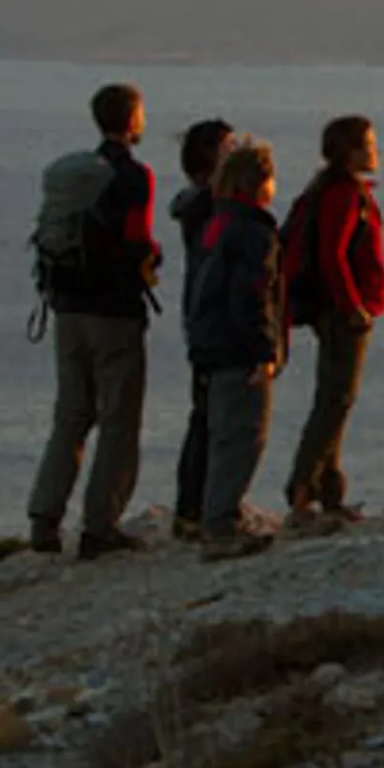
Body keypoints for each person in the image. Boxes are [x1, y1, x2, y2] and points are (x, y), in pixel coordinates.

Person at [25, 82, 158, 557]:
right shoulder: (133, 176)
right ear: (132, 118)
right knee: (119, 419)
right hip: (113, 312)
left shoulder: (78, 176)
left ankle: (44, 518)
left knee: (71, 416)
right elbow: (138, 238)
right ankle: (101, 524)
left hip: (67, 308)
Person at [277, 113, 384, 524]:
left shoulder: (328, 190)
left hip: (337, 307)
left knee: (335, 397)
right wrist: (351, 305)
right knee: (335, 399)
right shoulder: (342, 194)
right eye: (368, 145)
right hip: (342, 312)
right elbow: (332, 255)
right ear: (350, 151)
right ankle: (304, 488)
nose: (375, 152)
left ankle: (328, 488)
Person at [180, 134, 286, 558]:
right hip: (237, 348)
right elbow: (252, 294)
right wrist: (264, 349)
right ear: (258, 183)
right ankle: (221, 523)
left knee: (222, 431)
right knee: (243, 435)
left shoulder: (215, 223)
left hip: (209, 341)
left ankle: (217, 515)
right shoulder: (253, 232)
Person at [165, 115, 234, 527]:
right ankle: (197, 508)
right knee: (212, 418)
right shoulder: (213, 209)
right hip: (214, 322)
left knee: (206, 414)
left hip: (201, 320)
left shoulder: (197, 206)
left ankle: (195, 505)